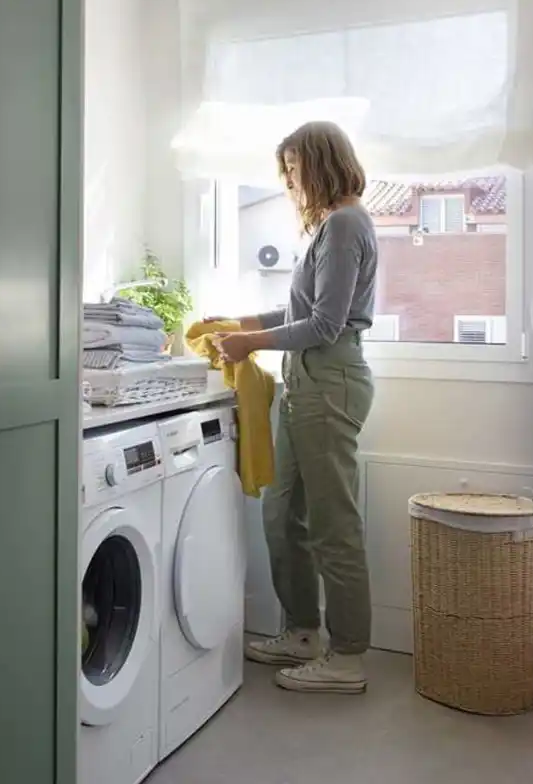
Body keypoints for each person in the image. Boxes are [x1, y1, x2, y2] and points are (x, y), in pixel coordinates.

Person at [211, 121, 377, 694]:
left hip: (331, 380)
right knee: (282, 513)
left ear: (321, 162)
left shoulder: (347, 224)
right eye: (283, 170)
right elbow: (296, 309)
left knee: (334, 525)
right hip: (306, 381)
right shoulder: (326, 226)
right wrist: (238, 324)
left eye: (294, 167)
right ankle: (303, 631)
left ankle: (348, 656)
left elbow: (326, 325)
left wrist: (249, 343)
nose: (288, 179)